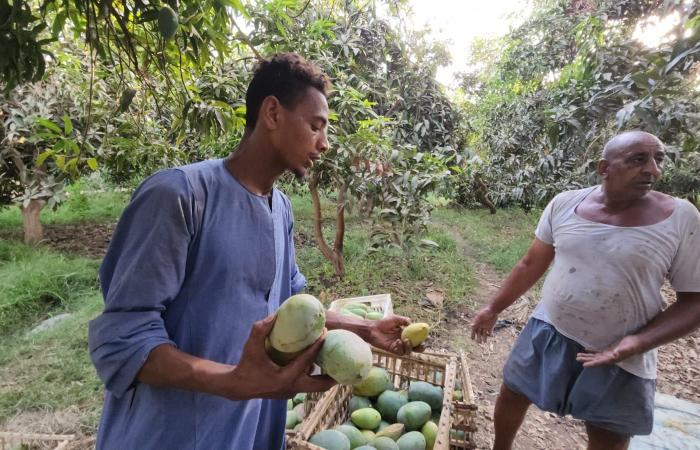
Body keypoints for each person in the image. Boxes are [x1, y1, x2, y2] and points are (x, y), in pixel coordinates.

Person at [88, 53, 414, 450]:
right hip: (170, 432)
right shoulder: (179, 195)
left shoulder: (282, 210)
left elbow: (290, 306)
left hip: (249, 429)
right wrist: (232, 382)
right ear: (273, 113)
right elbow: (125, 337)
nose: (325, 144)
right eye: (316, 126)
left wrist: (364, 329)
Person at [471, 131, 700, 450]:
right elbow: (529, 264)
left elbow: (694, 302)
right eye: (638, 160)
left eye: (657, 159)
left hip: (621, 349)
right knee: (513, 392)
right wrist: (493, 308)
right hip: (549, 327)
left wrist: (634, 343)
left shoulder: (682, 218)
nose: (653, 170)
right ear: (604, 168)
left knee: (609, 432)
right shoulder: (565, 204)